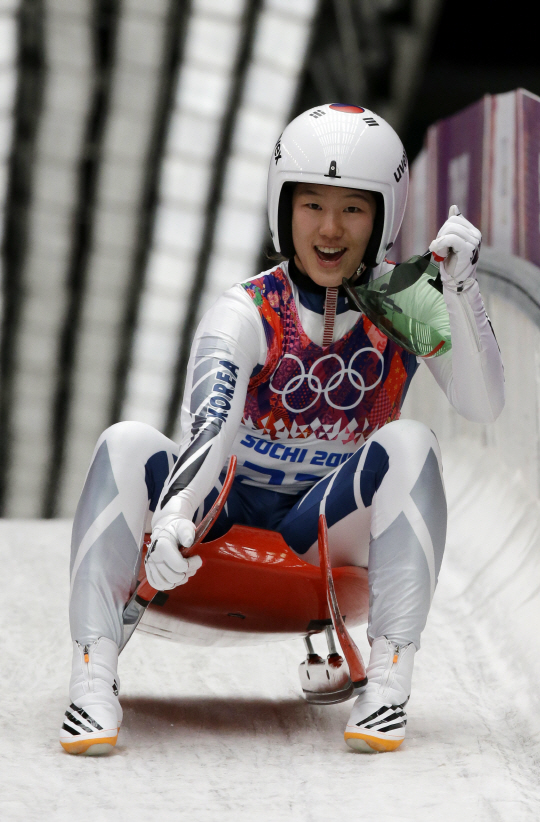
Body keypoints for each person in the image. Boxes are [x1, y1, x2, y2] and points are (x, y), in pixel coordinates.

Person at [60, 103, 504, 756]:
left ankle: (388, 687)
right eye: (311, 205)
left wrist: (461, 289)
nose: (330, 229)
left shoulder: (409, 302)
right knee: (125, 442)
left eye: (353, 208)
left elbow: (483, 402)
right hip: (225, 513)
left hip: (323, 529)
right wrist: (178, 512)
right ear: (282, 208)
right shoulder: (246, 309)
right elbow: (212, 423)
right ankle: (92, 680)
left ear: (384, 214)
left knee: (412, 443)